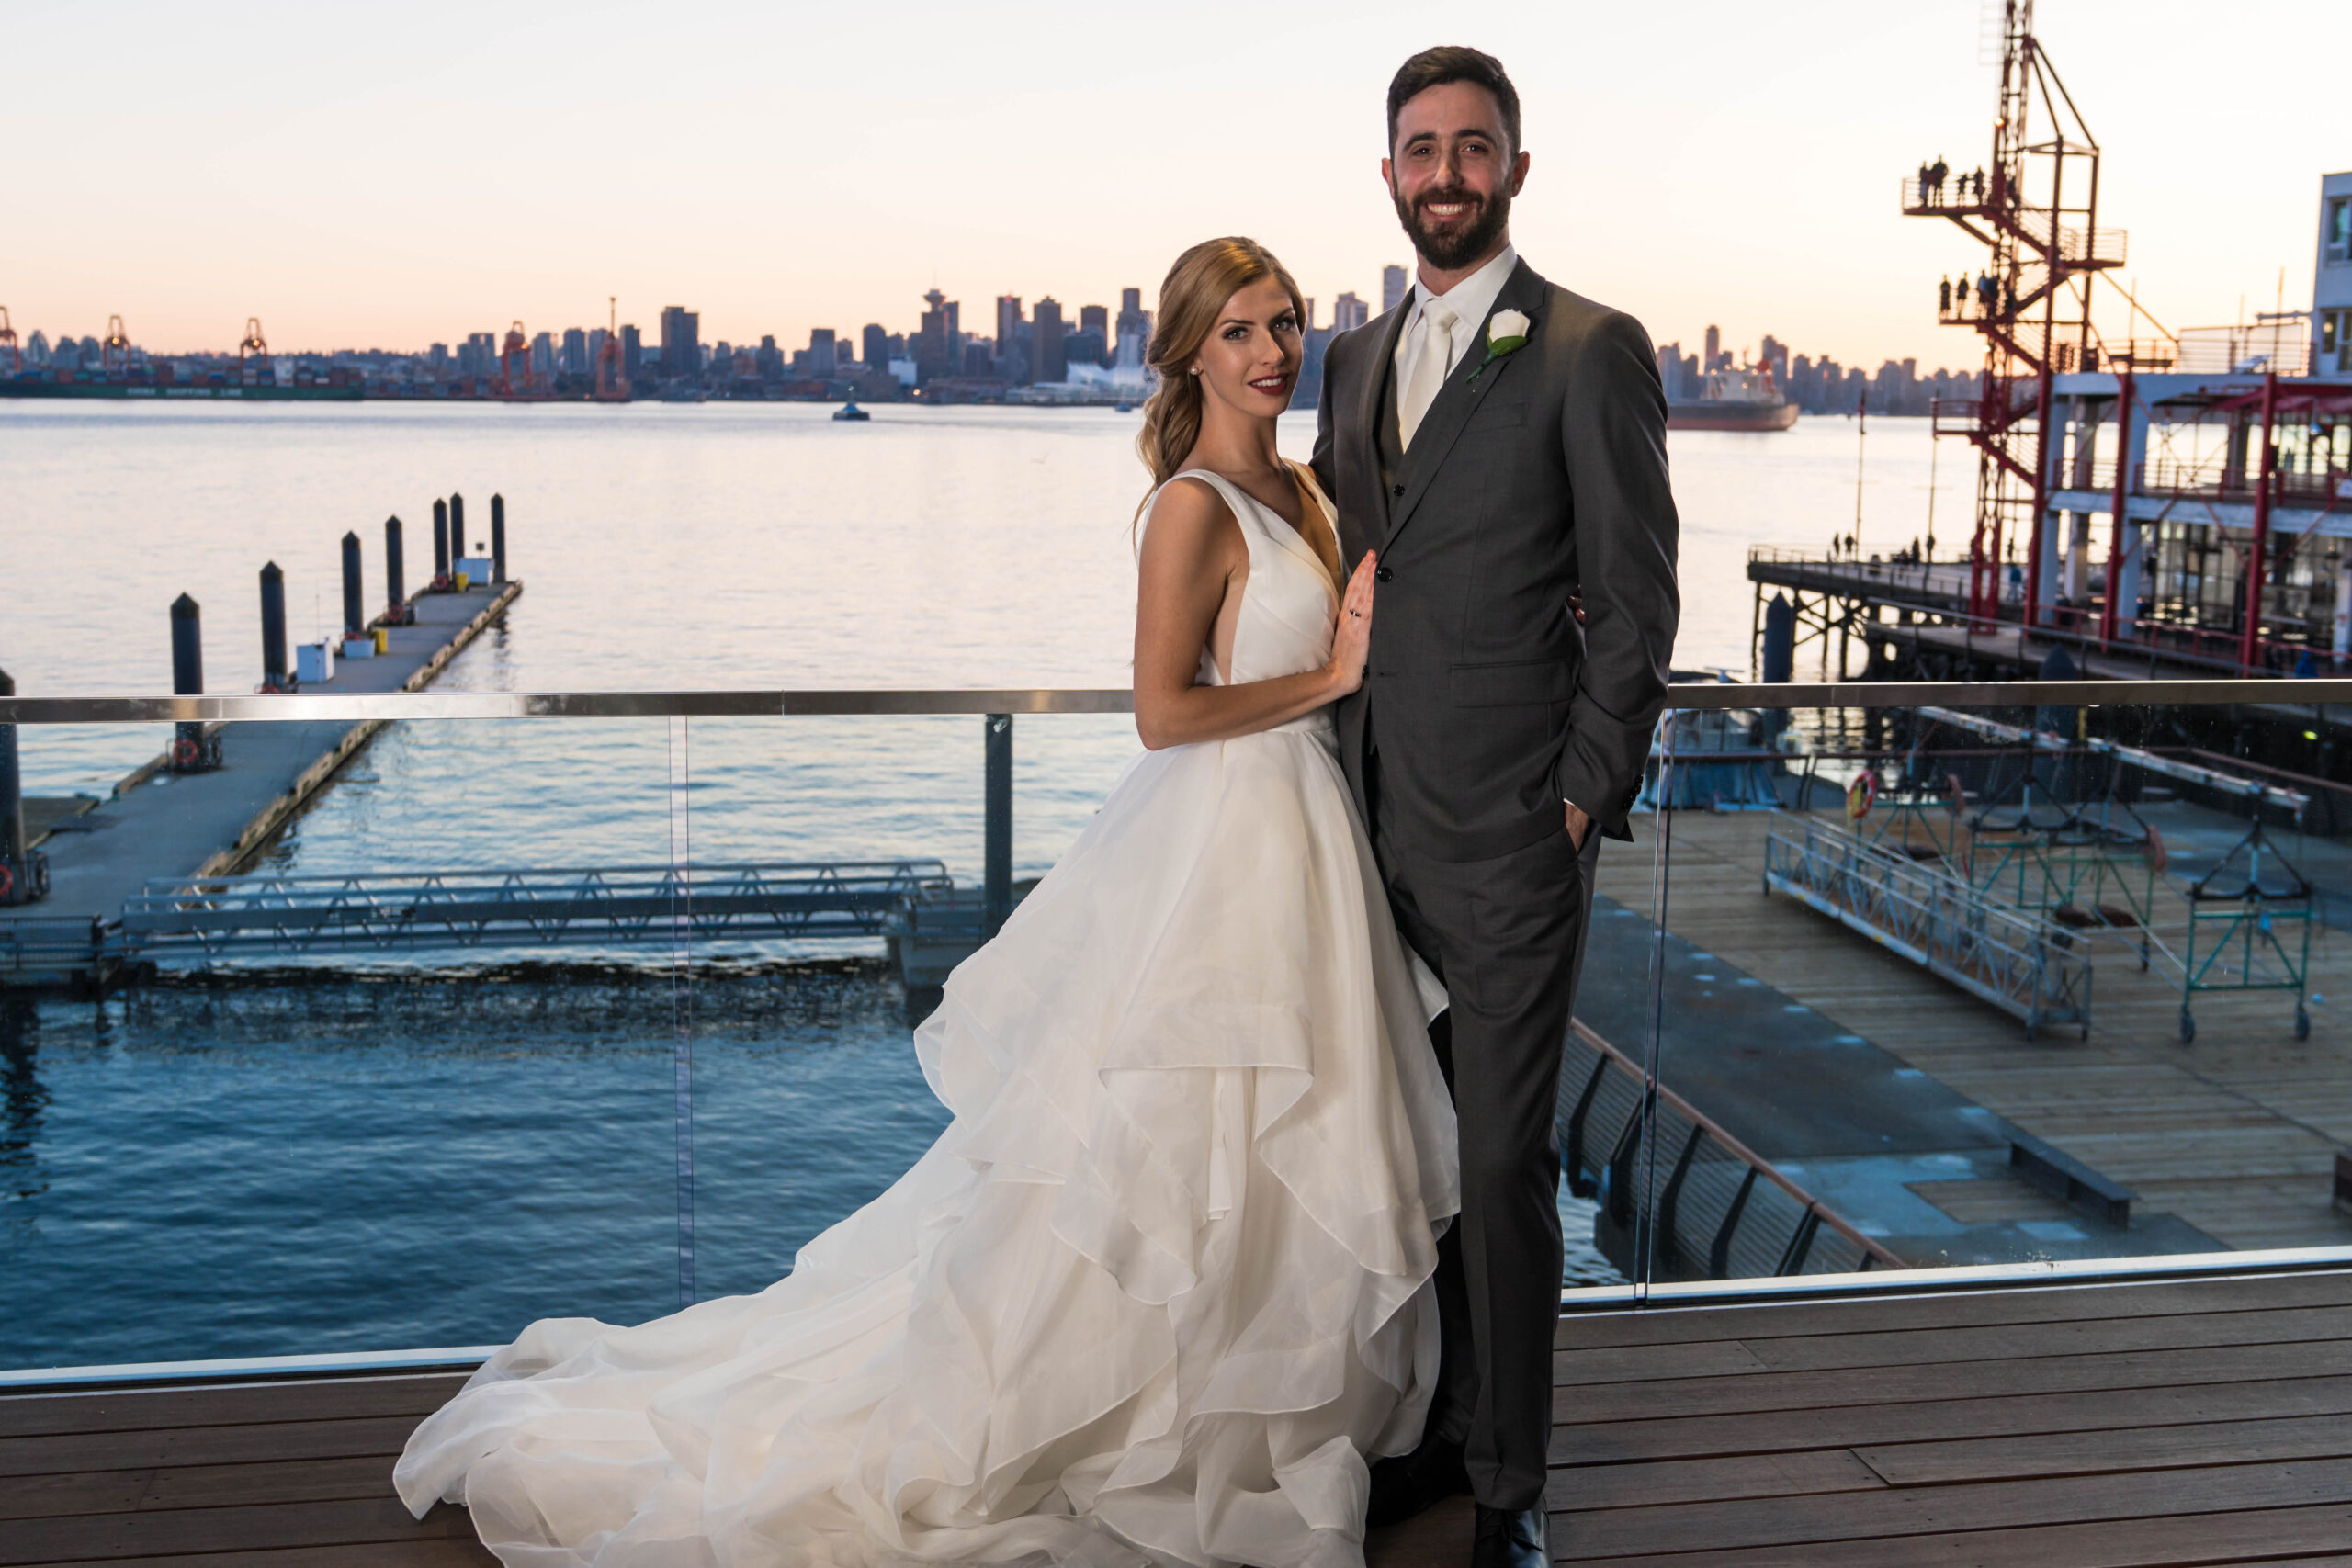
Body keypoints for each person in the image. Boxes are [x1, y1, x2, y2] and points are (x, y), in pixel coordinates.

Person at [395, 238, 1463, 1567]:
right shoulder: (1192, 504)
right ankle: (1118, 1418)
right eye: (1240, 329)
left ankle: (1231, 1418)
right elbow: (1160, 713)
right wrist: (1331, 682)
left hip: (1304, 841)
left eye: (1286, 324)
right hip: (1225, 839)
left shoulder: (1304, 489)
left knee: (1264, 1155)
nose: (1271, 351)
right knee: (1174, 1152)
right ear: (1189, 351)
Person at [1311, 46, 1679, 1568]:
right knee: (1403, 1159)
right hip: (1360, 834)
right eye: (1421, 148)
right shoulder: (1349, 360)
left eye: (1474, 148)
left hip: (1516, 848)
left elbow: (1640, 603)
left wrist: (1581, 805)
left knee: (1504, 1167)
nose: (1446, 172)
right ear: (1387, 173)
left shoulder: (1590, 348)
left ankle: (1513, 1489)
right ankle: (1437, 1436)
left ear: (1515, 172)